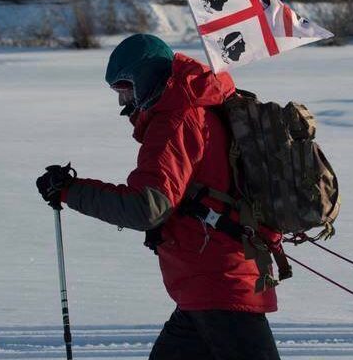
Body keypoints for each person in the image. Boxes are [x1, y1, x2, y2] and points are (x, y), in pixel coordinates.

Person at [36, 34, 281, 360]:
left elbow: (146, 207)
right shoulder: (192, 108)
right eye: (117, 91)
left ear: (147, 76)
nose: (124, 100)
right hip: (209, 282)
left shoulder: (177, 119)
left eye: (126, 87)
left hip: (220, 282)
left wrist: (70, 191)